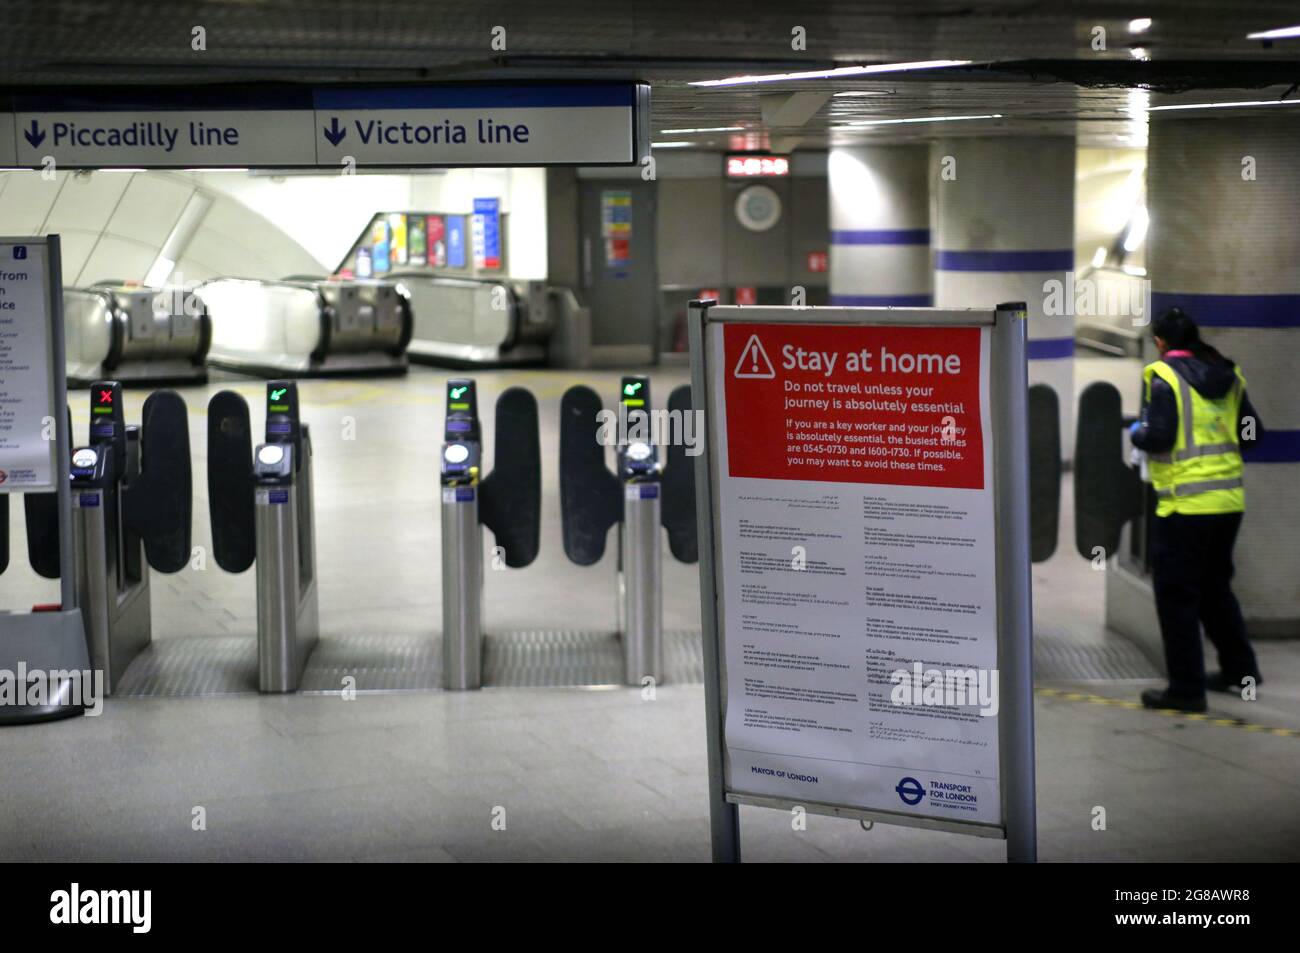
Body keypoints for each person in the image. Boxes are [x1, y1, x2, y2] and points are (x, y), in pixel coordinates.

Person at [1129, 308, 1263, 712]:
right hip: (1228, 503)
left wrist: (1136, 431)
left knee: (1177, 596)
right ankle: (1241, 673)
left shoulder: (1164, 377)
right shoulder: (1228, 375)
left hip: (1185, 506)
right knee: (1215, 588)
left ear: (1161, 342)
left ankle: (1186, 690)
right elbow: (1253, 434)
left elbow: (1158, 437)